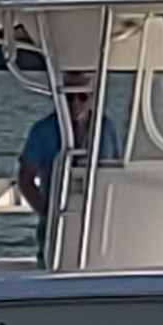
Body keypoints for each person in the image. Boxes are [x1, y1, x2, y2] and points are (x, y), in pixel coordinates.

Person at [17, 72, 122, 259]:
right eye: (69, 97)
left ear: (93, 98)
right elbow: (25, 178)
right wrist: (48, 214)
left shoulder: (107, 129)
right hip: (57, 219)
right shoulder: (42, 131)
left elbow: (117, 174)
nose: (75, 104)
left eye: (82, 97)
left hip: (98, 220)